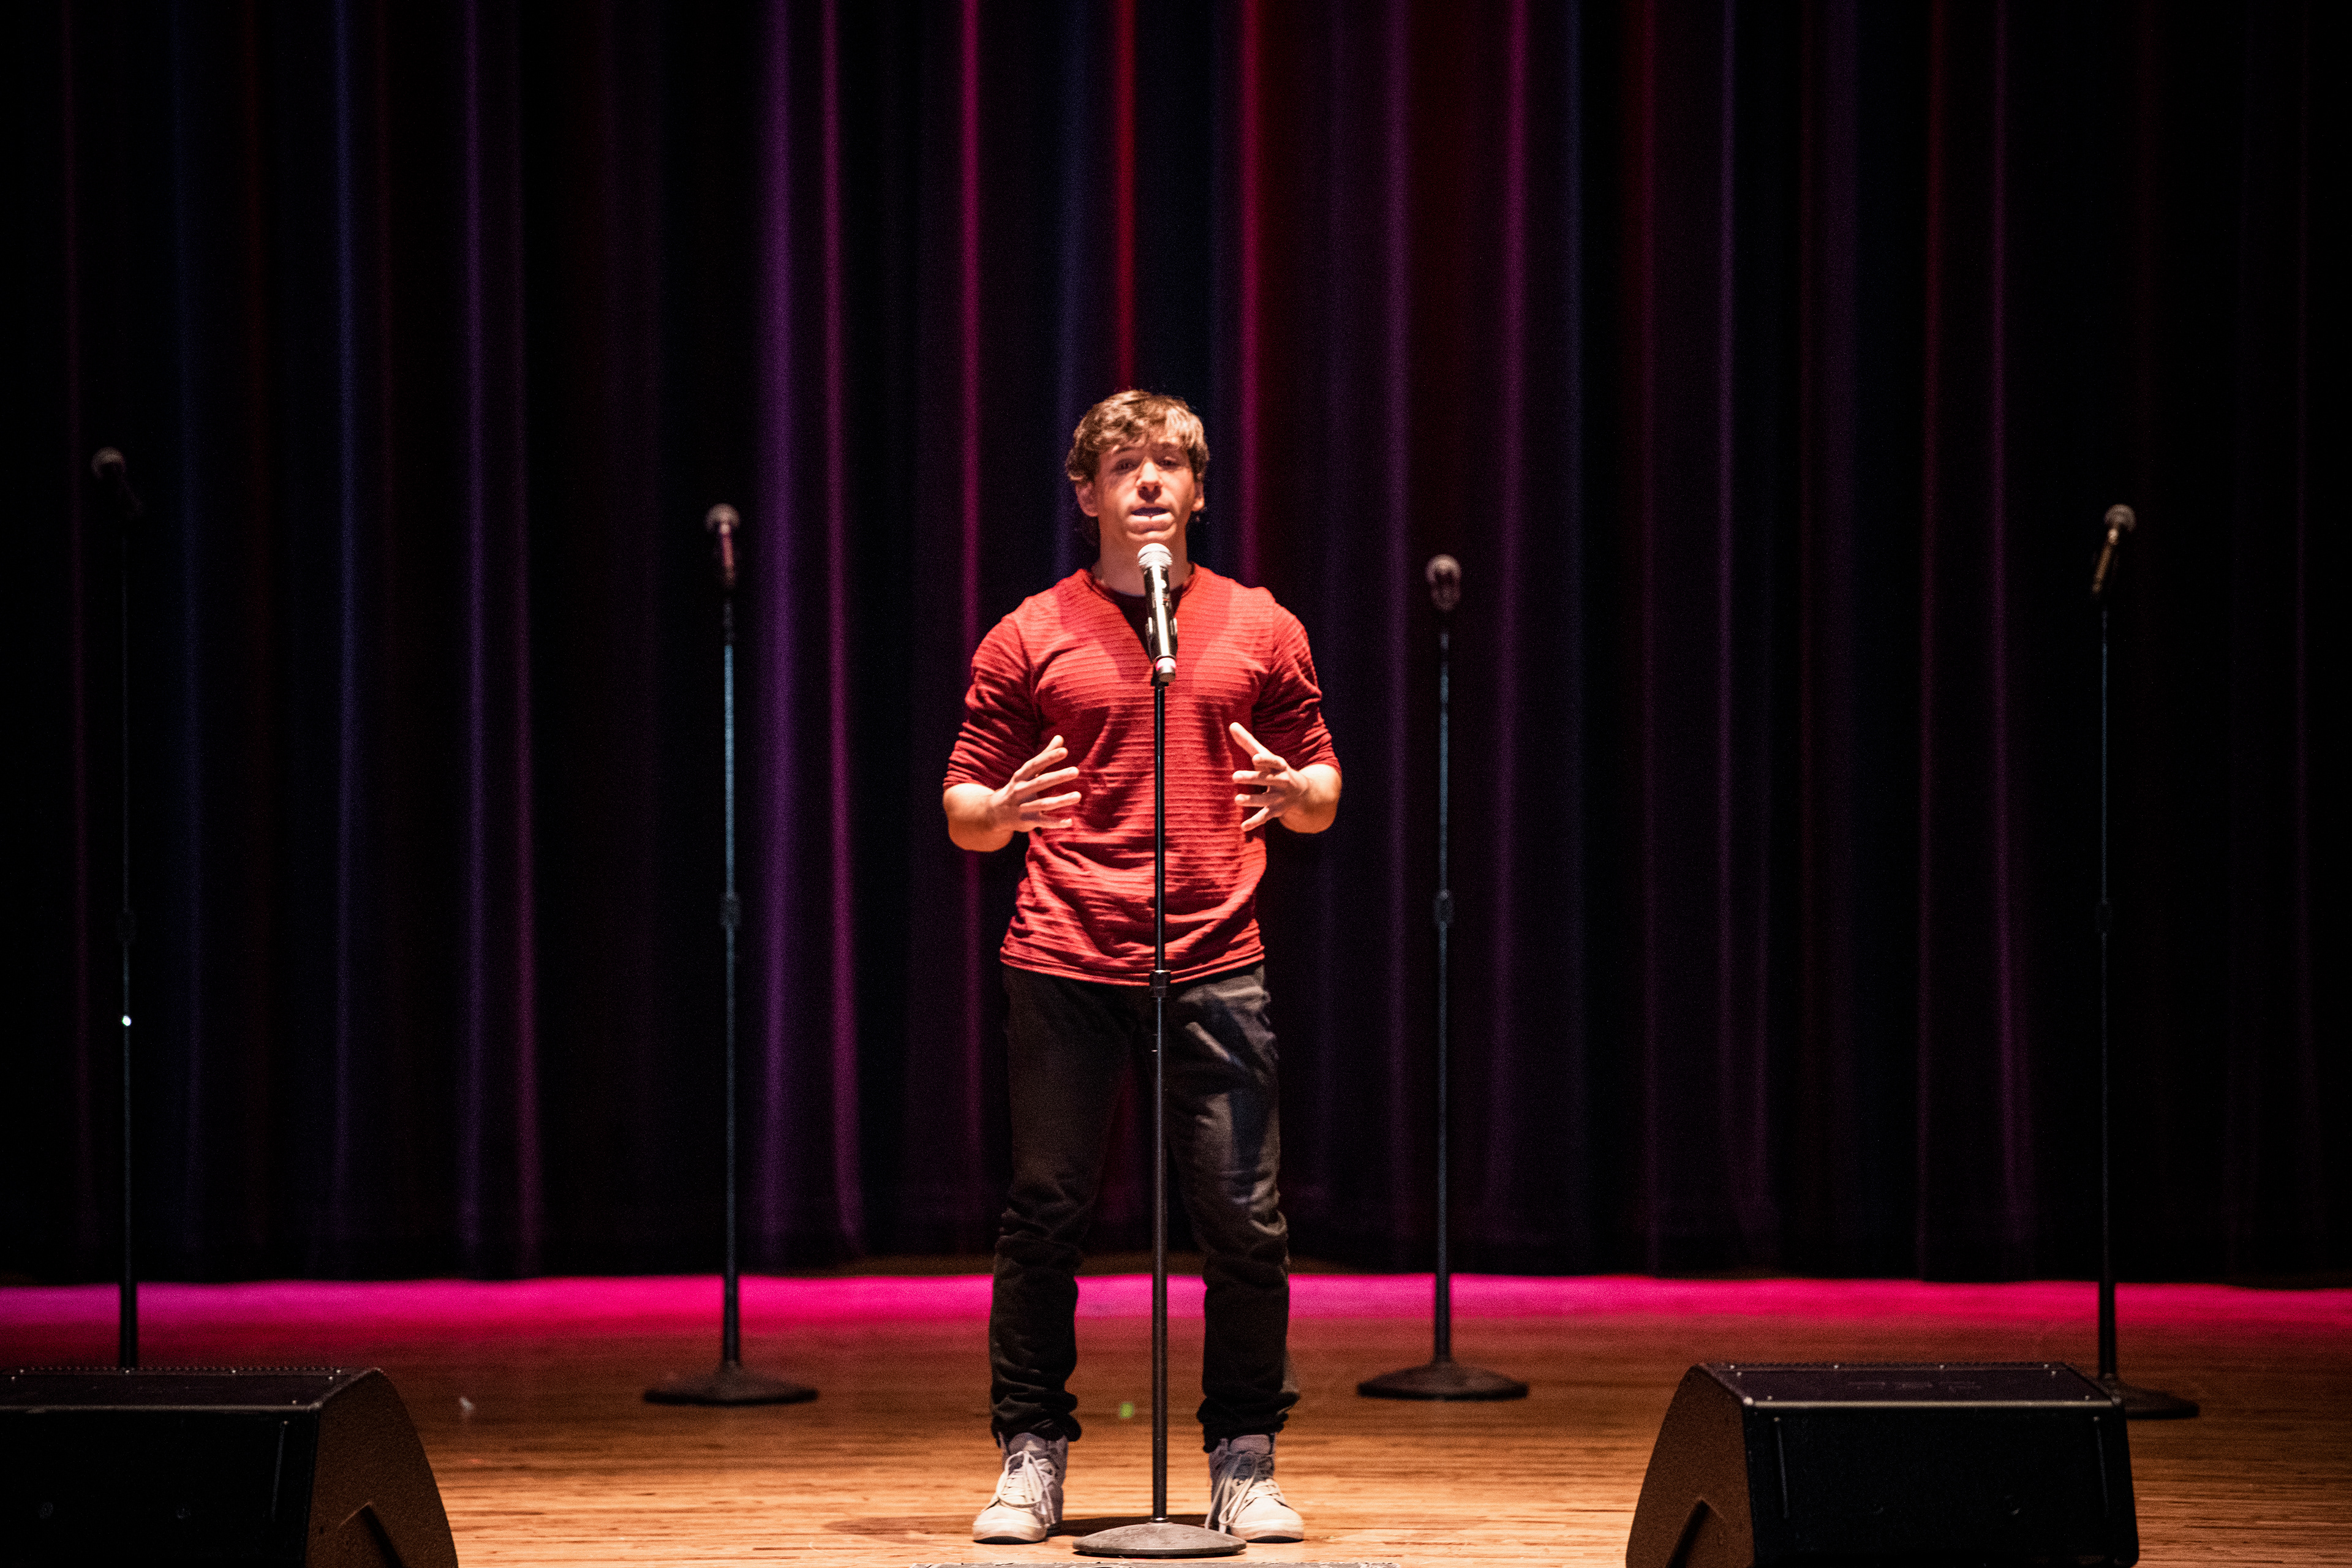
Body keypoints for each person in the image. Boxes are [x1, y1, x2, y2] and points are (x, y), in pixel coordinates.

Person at [941, 390, 1342, 1545]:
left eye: (1171, 463)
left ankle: (1243, 1457)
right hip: (1066, 954)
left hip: (1216, 956)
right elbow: (964, 802)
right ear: (1088, 494)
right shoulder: (1031, 632)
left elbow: (1321, 787)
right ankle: (1032, 1454)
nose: (1152, 481)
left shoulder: (1261, 623)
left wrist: (1300, 795)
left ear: (1200, 490)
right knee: (1045, 1216)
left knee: (1246, 1223)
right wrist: (997, 812)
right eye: (1126, 466)